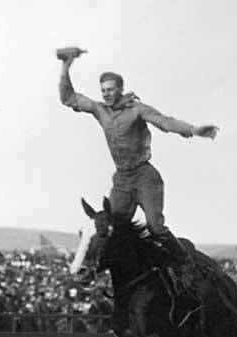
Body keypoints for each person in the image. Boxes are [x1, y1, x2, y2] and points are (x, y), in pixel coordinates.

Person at [58, 52, 219, 288]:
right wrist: (65, 66)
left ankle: (186, 266)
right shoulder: (99, 109)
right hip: (122, 179)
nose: (106, 94)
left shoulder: (136, 109)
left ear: (121, 89)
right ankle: (103, 272)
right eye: (103, 90)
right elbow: (69, 98)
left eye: (110, 89)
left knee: (155, 228)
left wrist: (193, 130)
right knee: (108, 228)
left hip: (145, 177)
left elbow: (165, 122)